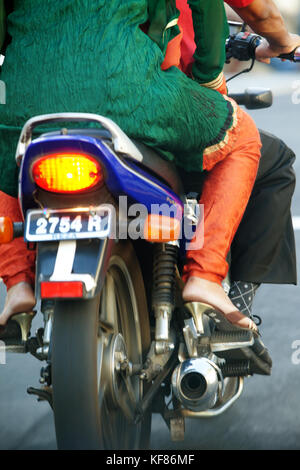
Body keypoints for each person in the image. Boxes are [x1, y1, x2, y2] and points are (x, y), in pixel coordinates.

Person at [0, 1, 294, 367]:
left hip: (22, 95)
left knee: (7, 155)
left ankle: (16, 284)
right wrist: (210, 77)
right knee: (242, 135)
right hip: (130, 91)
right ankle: (205, 276)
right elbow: (212, 12)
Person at [176, 0, 298, 316]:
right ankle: (233, 299)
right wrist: (282, 42)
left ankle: (24, 280)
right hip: (164, 101)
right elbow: (252, 10)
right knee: (269, 156)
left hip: (64, 113)